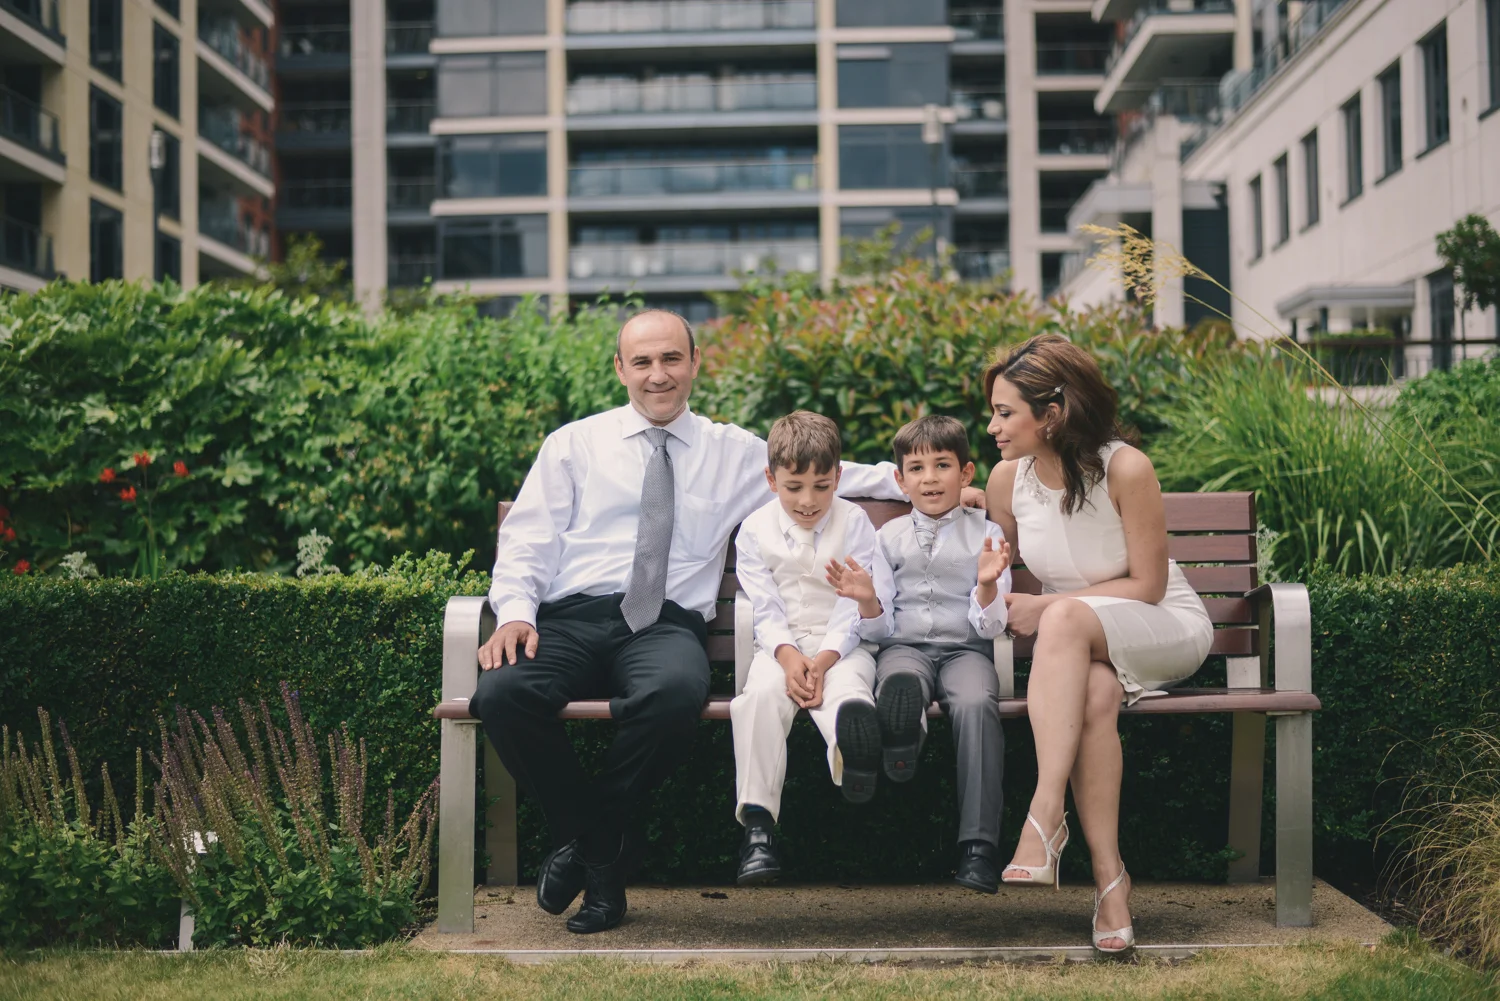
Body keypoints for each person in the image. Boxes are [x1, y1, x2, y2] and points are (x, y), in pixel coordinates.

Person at [470, 310, 980, 934]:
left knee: (674, 695)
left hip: (666, 624)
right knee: (502, 694)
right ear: (620, 369)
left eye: (671, 359)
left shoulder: (733, 452)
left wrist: (926, 488)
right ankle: (600, 846)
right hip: (571, 617)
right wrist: (515, 613)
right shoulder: (574, 445)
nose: (658, 375)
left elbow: (832, 473)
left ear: (695, 362)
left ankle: (590, 850)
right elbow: (528, 540)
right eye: (642, 362)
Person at [984, 333, 1213, 954]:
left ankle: (1044, 813)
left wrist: (1047, 606)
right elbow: (989, 561)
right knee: (1094, 695)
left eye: (1005, 413)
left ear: (1053, 414)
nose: (992, 427)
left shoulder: (1125, 468)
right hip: (1082, 644)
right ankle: (1111, 883)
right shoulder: (1006, 481)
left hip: (1161, 622)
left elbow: (1148, 585)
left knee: (1062, 618)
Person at [830, 415, 1014, 894]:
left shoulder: (987, 533)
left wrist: (987, 584)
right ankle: (903, 731)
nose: (930, 478)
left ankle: (979, 847)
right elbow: (880, 628)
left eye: (942, 465)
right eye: (916, 468)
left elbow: (992, 626)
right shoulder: (886, 537)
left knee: (976, 703)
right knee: (900, 680)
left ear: (966, 473)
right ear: (900, 480)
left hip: (966, 650)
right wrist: (866, 600)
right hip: (904, 647)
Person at [729, 411, 885, 886]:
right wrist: (788, 655)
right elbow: (764, 606)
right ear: (771, 479)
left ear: (838, 476)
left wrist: (824, 659)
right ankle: (758, 831)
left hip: (843, 646)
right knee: (758, 699)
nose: (808, 500)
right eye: (794, 487)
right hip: (780, 648)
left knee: (849, 692)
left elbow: (855, 603)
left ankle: (854, 760)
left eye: (821, 486)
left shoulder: (855, 522)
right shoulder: (753, 529)